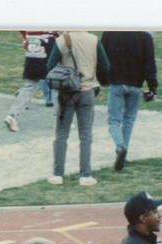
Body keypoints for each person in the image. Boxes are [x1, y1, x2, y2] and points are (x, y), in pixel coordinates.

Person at [45, 31, 109, 186]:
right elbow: (105, 65)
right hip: (88, 90)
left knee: (61, 134)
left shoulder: (62, 40)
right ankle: (85, 175)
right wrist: (99, 80)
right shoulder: (94, 40)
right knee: (86, 135)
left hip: (66, 91)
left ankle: (58, 174)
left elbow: (49, 66)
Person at [100, 31, 158, 171]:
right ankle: (123, 152)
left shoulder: (109, 33)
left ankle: (121, 146)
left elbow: (101, 58)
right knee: (129, 120)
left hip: (116, 82)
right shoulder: (144, 36)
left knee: (114, 120)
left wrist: (102, 79)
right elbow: (150, 64)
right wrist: (152, 87)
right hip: (135, 84)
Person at [4, 31, 58, 132]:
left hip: (32, 48)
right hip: (47, 45)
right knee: (56, 83)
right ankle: (60, 120)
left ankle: (13, 115)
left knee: (31, 84)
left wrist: (26, 38)